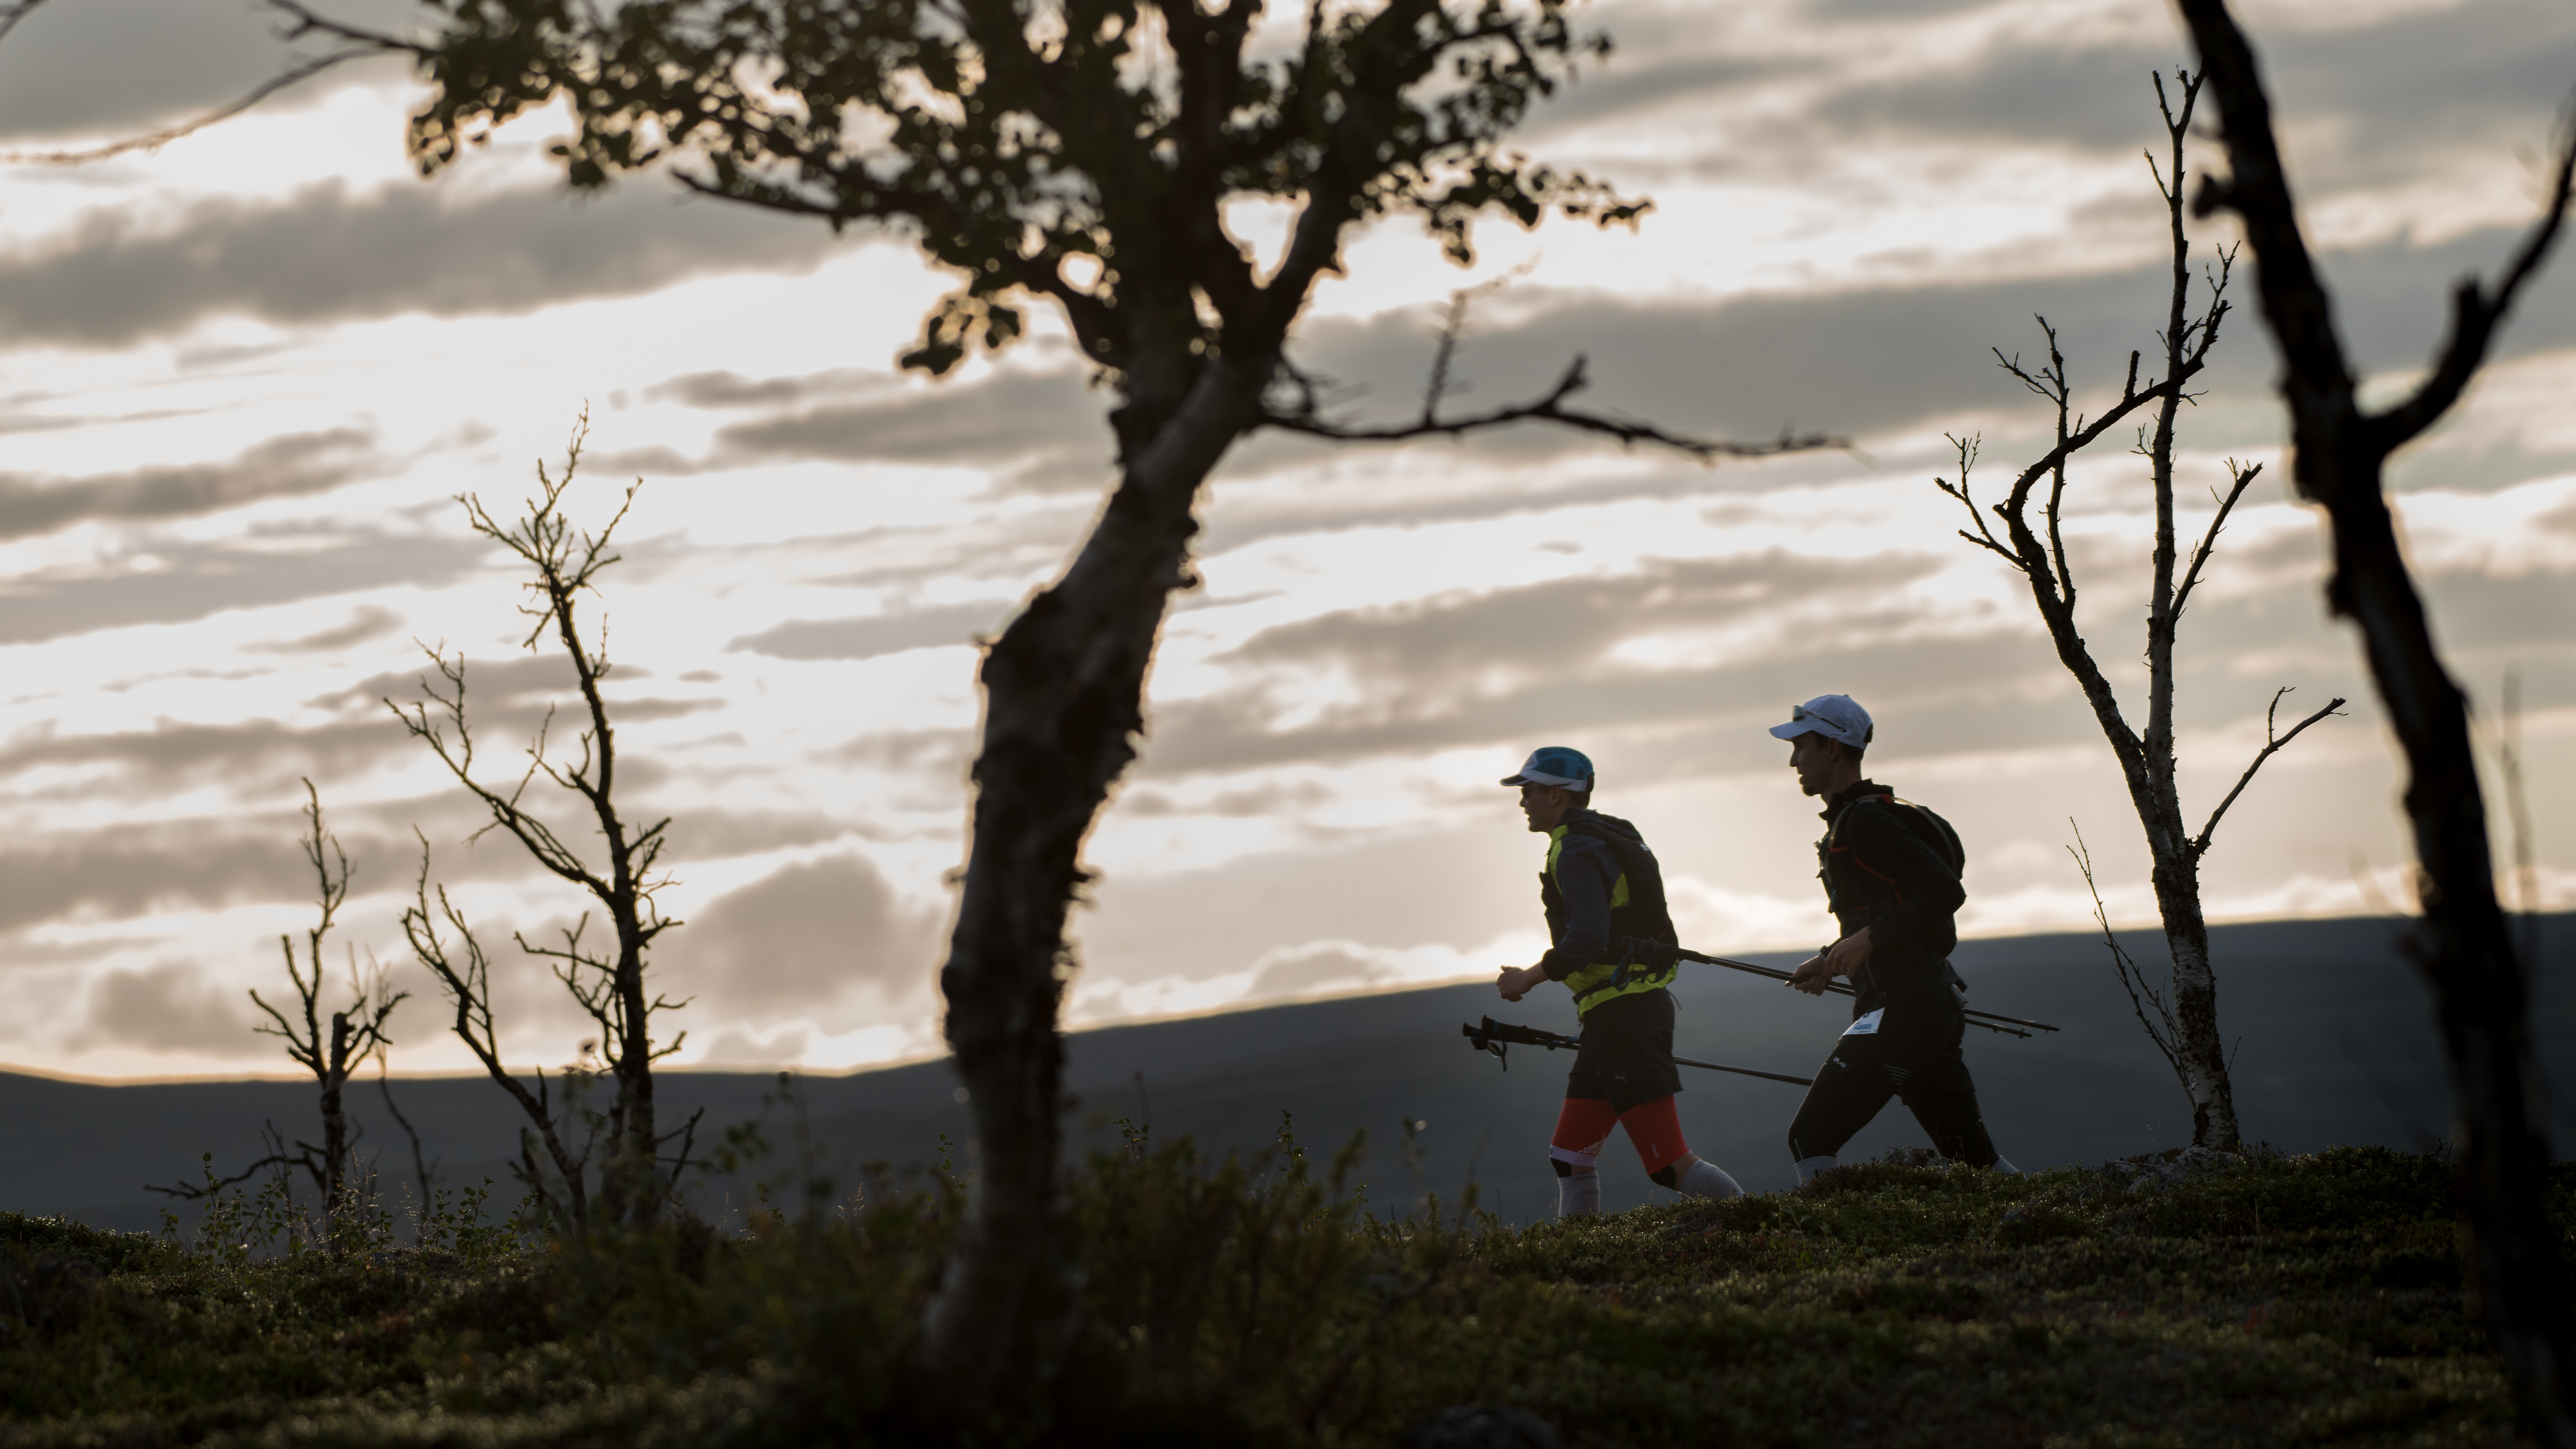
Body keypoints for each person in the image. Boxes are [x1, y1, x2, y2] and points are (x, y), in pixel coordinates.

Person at [1770, 695, 2016, 1184]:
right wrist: (1829, 959)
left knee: (1810, 1137)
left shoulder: (1865, 820)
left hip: (1905, 1008)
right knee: (1974, 1161)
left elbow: (1943, 891)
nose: (1793, 759)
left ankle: (1837, 1257)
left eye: (1802, 746)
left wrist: (1868, 941)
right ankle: (2046, 1222)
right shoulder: (1862, 817)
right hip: (1926, 1003)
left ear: (1834, 748)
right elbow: (1884, 911)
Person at [1493, 746, 1744, 1217]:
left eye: (1527, 790)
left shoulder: (1574, 848)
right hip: (1616, 1010)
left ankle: (1765, 1229)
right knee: (1569, 1157)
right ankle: (1576, 1270)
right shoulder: (1609, 834)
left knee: (1668, 1165)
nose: (1521, 800)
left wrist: (1527, 978)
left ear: (1556, 795)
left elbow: (1587, 937)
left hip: (1621, 1015)